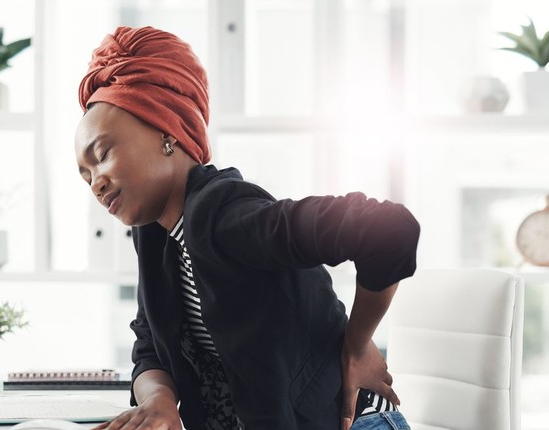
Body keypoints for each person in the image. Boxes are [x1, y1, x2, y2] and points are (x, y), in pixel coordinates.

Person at [75, 26, 420, 430]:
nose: (96, 183)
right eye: (85, 176)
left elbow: (389, 229)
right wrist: (159, 402)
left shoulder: (227, 216)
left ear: (167, 131)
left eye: (102, 155)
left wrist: (357, 345)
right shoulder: (156, 236)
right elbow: (148, 342)